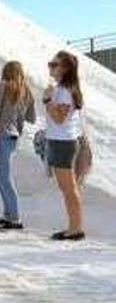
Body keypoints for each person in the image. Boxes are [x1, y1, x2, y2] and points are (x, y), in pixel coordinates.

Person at [0, 61, 36, 231]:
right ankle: (8, 214)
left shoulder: (2, 86)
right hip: (12, 137)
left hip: (0, 135)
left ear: (5, 72)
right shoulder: (27, 92)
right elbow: (32, 118)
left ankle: (15, 217)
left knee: (3, 177)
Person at [43, 51, 86, 241]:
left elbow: (59, 119)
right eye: (50, 64)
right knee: (67, 187)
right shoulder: (63, 88)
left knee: (69, 188)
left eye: (55, 65)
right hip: (60, 141)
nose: (50, 68)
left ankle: (75, 229)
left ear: (66, 69)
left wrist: (47, 100)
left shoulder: (65, 91)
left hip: (63, 142)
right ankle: (74, 227)